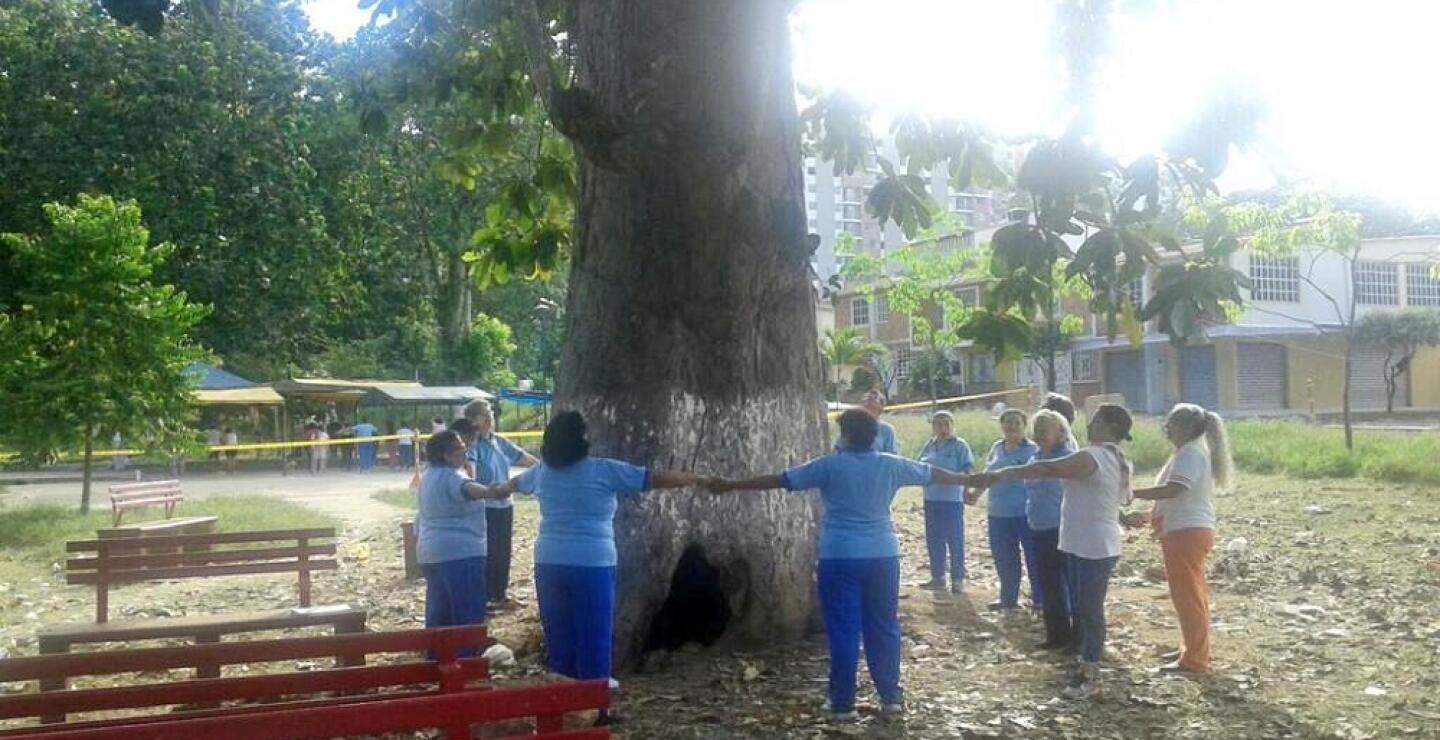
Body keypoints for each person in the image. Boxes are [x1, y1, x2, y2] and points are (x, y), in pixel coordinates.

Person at [708, 409, 972, 722]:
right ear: (874, 436)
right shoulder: (891, 464)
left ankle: (842, 703)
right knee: (884, 626)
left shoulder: (829, 466)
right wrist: (971, 479)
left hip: (840, 555)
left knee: (845, 629)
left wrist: (731, 485)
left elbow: (780, 480)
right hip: (883, 555)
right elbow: (933, 473)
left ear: (845, 435)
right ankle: (891, 697)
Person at [484, 411, 708, 705]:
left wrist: (491, 490)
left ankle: (561, 705)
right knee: (594, 636)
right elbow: (654, 478)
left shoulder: (541, 472)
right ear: (583, 440)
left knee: (559, 637)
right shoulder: (603, 470)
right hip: (591, 563)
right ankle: (593, 709)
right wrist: (697, 478)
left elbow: (511, 485)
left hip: (548, 561)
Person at [965, 404, 1134, 699]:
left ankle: (1090, 672)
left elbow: (1047, 469)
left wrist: (998, 475)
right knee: (1085, 606)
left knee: (1090, 610)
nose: (1088, 424)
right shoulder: (1105, 457)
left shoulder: (1092, 456)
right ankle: (1085, 662)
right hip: (1087, 542)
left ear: (1110, 426)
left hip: (1094, 545)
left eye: (1095, 419)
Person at [1130, 403, 1232, 674]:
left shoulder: (1190, 453)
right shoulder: (1189, 453)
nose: (1167, 428)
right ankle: (1192, 649)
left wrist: (1132, 493)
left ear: (1187, 427)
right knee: (1190, 595)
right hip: (1186, 529)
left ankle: (1195, 659)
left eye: (1172, 423)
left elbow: (1174, 490)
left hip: (1186, 532)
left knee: (1188, 598)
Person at [415, 429, 512, 641]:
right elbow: (469, 489)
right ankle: (465, 663)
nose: (465, 451)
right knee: (467, 615)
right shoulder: (453, 476)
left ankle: (436, 661)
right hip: (461, 554)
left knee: (439, 613)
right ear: (446, 455)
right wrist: (491, 491)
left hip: (430, 553)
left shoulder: (428, 475)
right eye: (460, 448)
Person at [464, 399, 538, 611]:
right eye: (481, 416)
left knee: (503, 550)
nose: (488, 419)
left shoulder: (499, 441)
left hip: (505, 504)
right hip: (485, 505)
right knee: (489, 551)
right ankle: (487, 596)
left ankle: (500, 594)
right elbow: (471, 471)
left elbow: (523, 457)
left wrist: (545, 468)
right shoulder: (473, 445)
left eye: (487, 415)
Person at [976, 409, 1042, 612]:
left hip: (1025, 513)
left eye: (1016, 423)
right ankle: (1008, 598)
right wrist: (975, 492)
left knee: (1034, 557)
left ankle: (1040, 599)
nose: (1011, 426)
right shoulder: (997, 448)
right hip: (998, 512)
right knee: (1004, 558)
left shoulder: (1033, 450)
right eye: (1007, 422)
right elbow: (988, 474)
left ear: (1024, 426)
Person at [1027, 409, 1077, 650]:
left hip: (1063, 527)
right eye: (1036, 430)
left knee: (1069, 582)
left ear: (1060, 432)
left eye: (1044, 430)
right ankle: (1057, 635)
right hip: (1039, 527)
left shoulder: (1068, 458)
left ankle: (1079, 636)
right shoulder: (1034, 457)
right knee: (1048, 584)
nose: (1039, 435)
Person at [916, 411, 973, 593]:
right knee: (934, 538)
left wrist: (966, 489)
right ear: (933, 427)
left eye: (946, 424)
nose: (943, 428)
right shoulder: (929, 445)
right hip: (931, 498)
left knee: (954, 539)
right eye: (939, 424)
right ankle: (937, 576)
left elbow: (968, 469)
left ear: (952, 425)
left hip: (952, 500)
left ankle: (957, 579)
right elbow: (919, 467)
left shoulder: (960, 445)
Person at [861, 389, 897, 454]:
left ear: (881, 406)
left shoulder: (887, 430)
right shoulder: (853, 426)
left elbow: (891, 455)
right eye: (867, 398)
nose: (870, 400)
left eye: (875, 397)